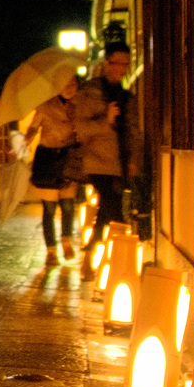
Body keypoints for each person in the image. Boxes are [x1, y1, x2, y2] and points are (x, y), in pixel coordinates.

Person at [71, 38, 134, 247]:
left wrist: (134, 157)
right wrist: (105, 121)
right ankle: (109, 248)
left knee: (111, 206)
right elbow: (81, 128)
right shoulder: (90, 92)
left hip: (120, 160)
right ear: (107, 62)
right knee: (112, 203)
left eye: (126, 64)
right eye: (118, 63)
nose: (122, 69)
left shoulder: (126, 95)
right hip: (96, 160)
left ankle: (98, 245)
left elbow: (132, 130)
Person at [25, 79, 80, 263]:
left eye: (73, 83)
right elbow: (33, 128)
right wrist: (24, 142)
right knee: (49, 208)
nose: (69, 88)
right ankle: (51, 250)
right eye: (65, 83)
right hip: (48, 159)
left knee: (68, 205)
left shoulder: (79, 105)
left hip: (69, 159)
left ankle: (66, 241)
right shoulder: (45, 106)